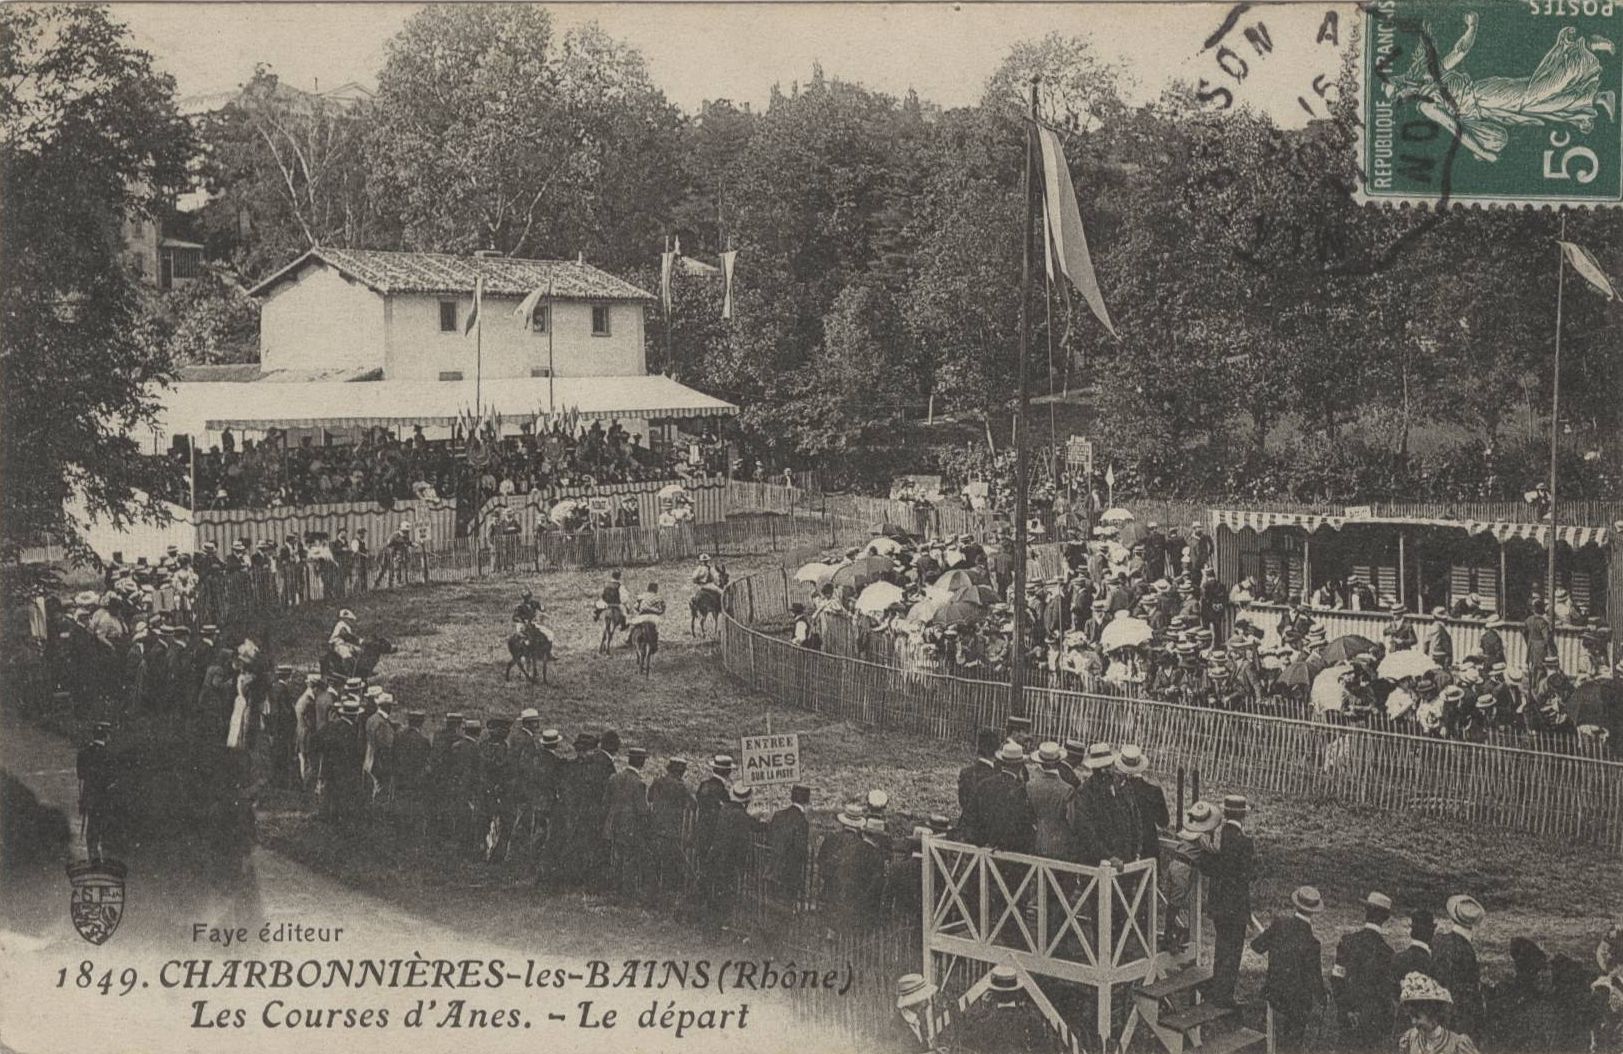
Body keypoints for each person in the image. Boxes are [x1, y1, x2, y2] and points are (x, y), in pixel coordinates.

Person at [1251, 885, 1327, 1053]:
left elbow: (1256, 946)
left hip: (1274, 994)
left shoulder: (1279, 925)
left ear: (1296, 904)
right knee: (1292, 1043)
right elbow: (1315, 980)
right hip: (1296, 1004)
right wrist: (1323, 998)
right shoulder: (1313, 943)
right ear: (1314, 911)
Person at [1199, 794, 1255, 1009]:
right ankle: (1224, 995)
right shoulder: (1244, 842)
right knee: (1233, 950)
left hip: (1218, 902)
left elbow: (1207, 867)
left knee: (1222, 947)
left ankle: (1217, 990)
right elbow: (1247, 876)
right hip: (1236, 904)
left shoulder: (1216, 838)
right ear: (1243, 817)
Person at [1333, 891, 1397, 1052]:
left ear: (1366, 912)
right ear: (1385, 918)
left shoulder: (1347, 942)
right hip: (1372, 1023)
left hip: (1347, 1018)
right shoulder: (1387, 952)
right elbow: (1386, 994)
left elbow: (1336, 978)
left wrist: (1345, 1009)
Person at [702, 783, 760, 933]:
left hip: (714, 857)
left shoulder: (725, 810)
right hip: (728, 862)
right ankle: (717, 929)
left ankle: (711, 927)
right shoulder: (741, 816)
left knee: (714, 892)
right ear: (746, 802)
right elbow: (755, 826)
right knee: (726, 894)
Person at [1432, 894, 1486, 1038]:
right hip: (1457, 1022)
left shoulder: (1438, 940)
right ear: (1473, 925)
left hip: (1435, 1015)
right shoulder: (1468, 952)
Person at [603, 746, 650, 896]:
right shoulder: (639, 784)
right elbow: (642, 811)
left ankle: (614, 889)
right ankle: (626, 893)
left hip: (613, 824)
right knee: (629, 860)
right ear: (641, 762)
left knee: (616, 857)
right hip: (630, 828)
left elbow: (605, 801)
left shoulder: (614, 777)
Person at [1396, 972, 1480, 1054]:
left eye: (1418, 1017)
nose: (1413, 1022)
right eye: (1411, 1017)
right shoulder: (1410, 1039)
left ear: (1433, 1015)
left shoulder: (1456, 1043)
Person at [646, 757, 693, 900]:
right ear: (681, 772)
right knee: (670, 867)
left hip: (655, 828)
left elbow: (649, 798)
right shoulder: (680, 787)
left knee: (655, 864)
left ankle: (651, 896)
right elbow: (691, 804)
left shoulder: (658, 781)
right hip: (671, 832)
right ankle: (666, 898)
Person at [1115, 744, 1167, 861]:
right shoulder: (1154, 791)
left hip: (1126, 847)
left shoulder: (1118, 792)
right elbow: (1164, 822)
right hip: (1149, 846)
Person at [1027, 743, 1078, 861]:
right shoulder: (1067, 789)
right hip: (1059, 844)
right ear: (1058, 762)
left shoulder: (1030, 786)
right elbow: (1072, 821)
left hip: (1037, 840)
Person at [76, 722, 115, 863]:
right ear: (106, 736)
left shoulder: (83, 753)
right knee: (105, 825)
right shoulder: (109, 754)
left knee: (92, 826)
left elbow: (80, 777)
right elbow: (112, 779)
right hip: (105, 796)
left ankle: (93, 856)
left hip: (89, 796)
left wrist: (82, 799)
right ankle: (105, 856)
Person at [766, 784, 811, 904]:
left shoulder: (778, 815)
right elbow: (800, 850)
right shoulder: (802, 821)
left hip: (772, 870)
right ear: (807, 801)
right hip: (789, 875)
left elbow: (769, 838)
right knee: (786, 907)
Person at [956, 727, 1000, 844]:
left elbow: (962, 801)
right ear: (996, 752)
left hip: (965, 831)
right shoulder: (996, 777)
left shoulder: (965, 773)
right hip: (986, 837)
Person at [693, 754, 734, 862]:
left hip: (702, 831)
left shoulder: (704, 785)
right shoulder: (721, 790)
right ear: (727, 772)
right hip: (715, 835)